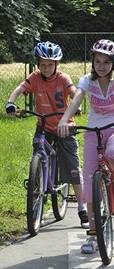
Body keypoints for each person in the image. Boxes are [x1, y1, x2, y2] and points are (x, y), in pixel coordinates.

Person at [57, 39, 114, 254]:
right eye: (97, 61)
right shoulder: (87, 80)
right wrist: (65, 120)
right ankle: (93, 235)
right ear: (93, 62)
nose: (101, 66)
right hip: (94, 131)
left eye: (106, 62)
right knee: (88, 182)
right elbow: (76, 101)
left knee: (113, 154)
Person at [5, 41, 88, 229]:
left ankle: (82, 209)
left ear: (57, 64)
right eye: (43, 64)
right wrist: (11, 102)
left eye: (50, 64)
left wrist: (77, 105)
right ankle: (38, 199)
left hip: (65, 126)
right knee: (38, 159)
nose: (46, 68)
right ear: (38, 64)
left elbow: (74, 92)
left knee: (73, 167)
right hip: (43, 126)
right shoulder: (35, 78)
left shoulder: (63, 78)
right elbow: (19, 89)